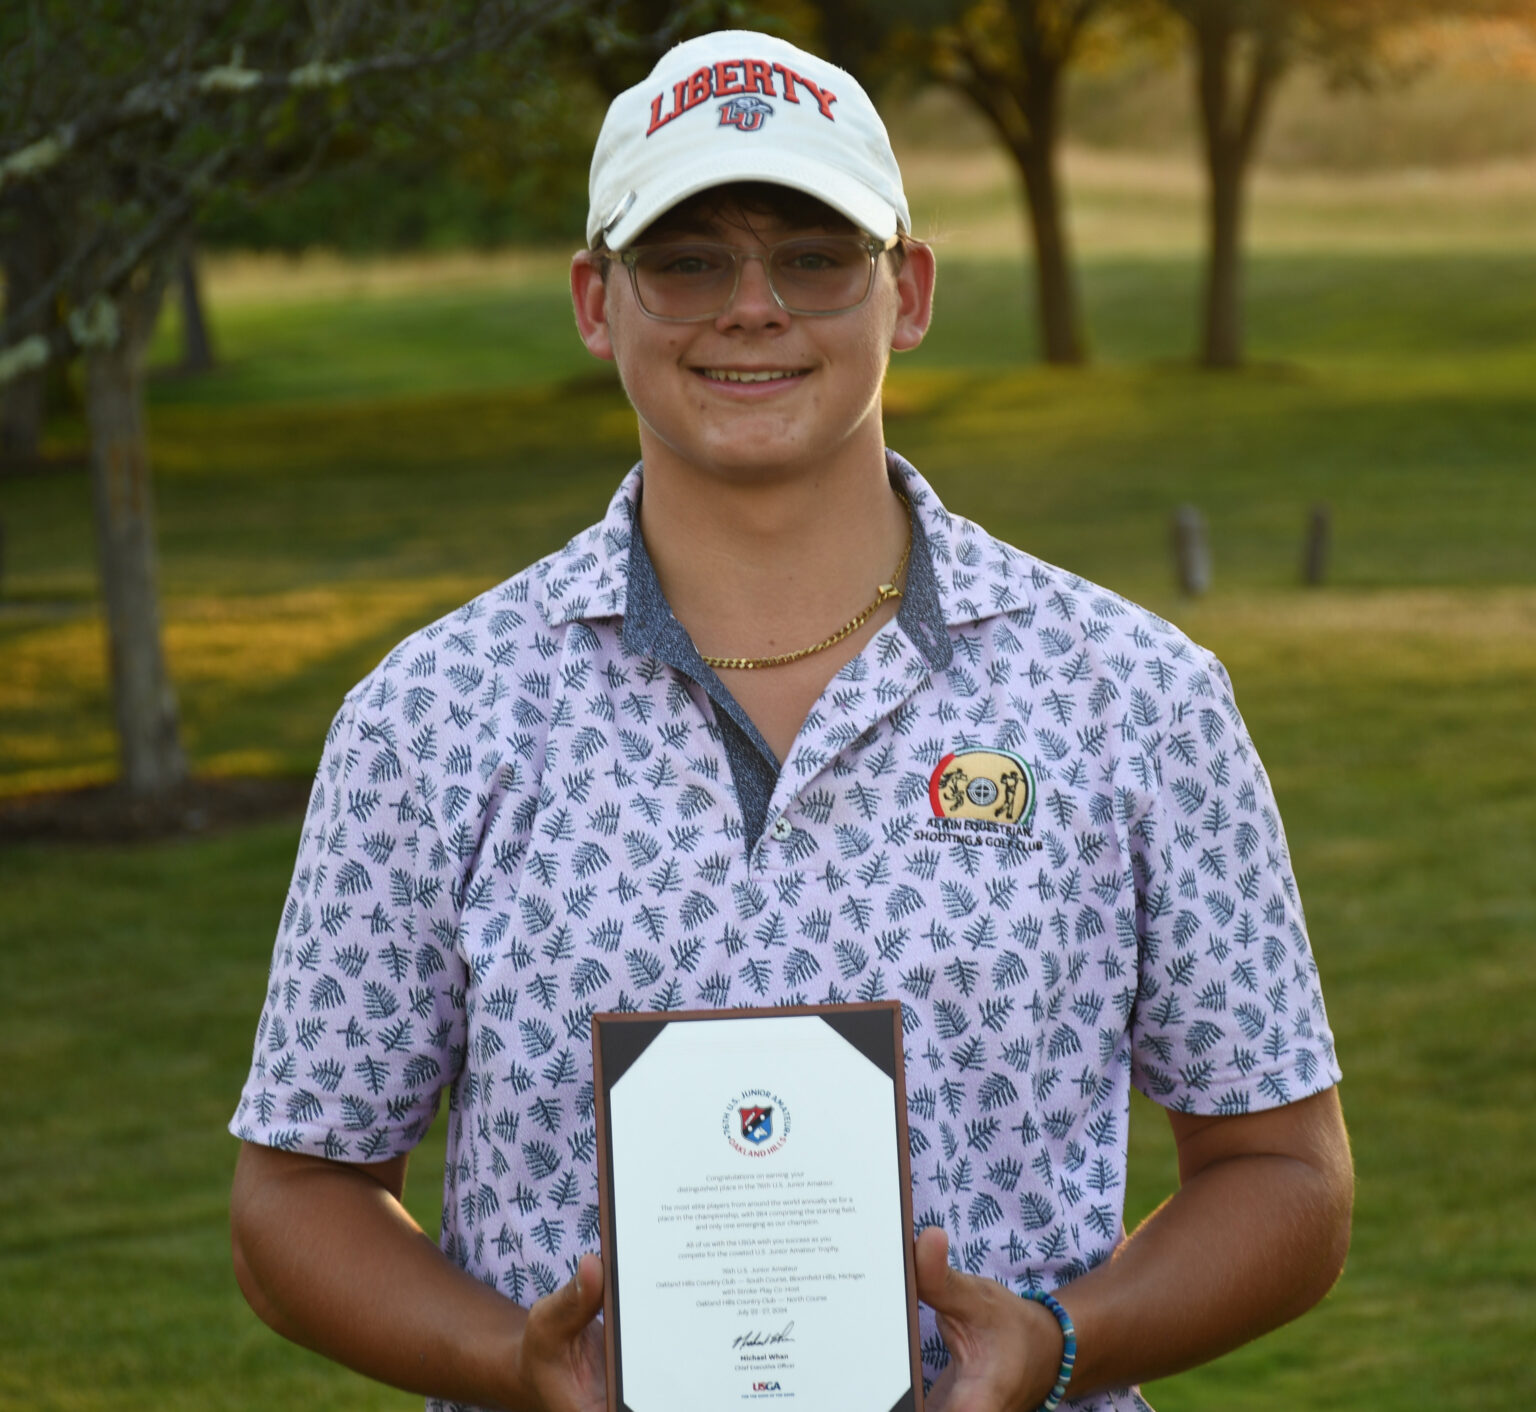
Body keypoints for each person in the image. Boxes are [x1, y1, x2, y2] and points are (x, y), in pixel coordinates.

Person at [229, 30, 1352, 1412]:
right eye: (687, 258)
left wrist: (1063, 1342)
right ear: (596, 298)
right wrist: (505, 1366)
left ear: (910, 289)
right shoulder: (431, 719)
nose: (752, 307)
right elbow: (295, 1196)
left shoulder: (1135, 698)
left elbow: (1287, 1176)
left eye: (815, 257)